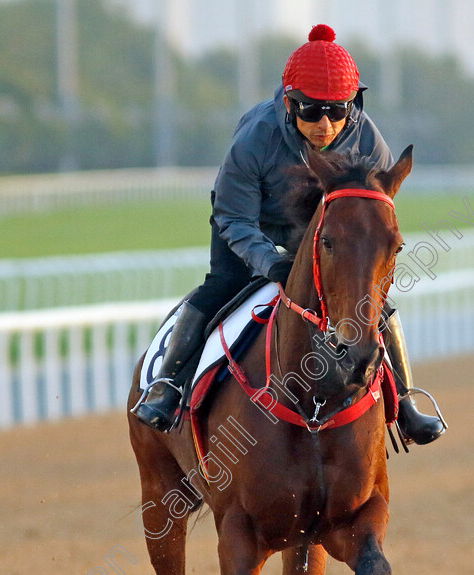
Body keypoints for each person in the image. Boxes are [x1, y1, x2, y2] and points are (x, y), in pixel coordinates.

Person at [134, 24, 445, 445]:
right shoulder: (255, 138)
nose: (325, 124)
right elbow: (234, 218)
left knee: (372, 305)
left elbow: (373, 220)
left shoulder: (370, 142)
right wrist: (272, 263)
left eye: (337, 110)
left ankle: (405, 401)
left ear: (354, 103)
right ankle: (168, 387)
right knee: (221, 286)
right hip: (248, 224)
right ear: (287, 101)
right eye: (311, 110)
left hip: (321, 231)